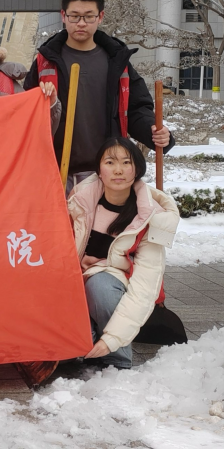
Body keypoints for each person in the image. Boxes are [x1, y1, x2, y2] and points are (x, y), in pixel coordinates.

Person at [23, 0, 174, 194]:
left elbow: (137, 108)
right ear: (63, 15)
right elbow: (26, 114)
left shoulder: (117, 60)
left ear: (100, 17)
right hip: (56, 171)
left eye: (88, 16)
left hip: (105, 173)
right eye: (74, 16)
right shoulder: (45, 61)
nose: (81, 23)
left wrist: (153, 131)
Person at [68, 137, 179, 369]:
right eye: (110, 162)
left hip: (115, 281)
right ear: (99, 170)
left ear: (136, 169)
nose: (118, 170)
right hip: (75, 277)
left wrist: (112, 340)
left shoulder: (151, 217)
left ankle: (116, 361)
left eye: (126, 162)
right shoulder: (80, 201)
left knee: (100, 287)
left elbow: (144, 286)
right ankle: (83, 341)